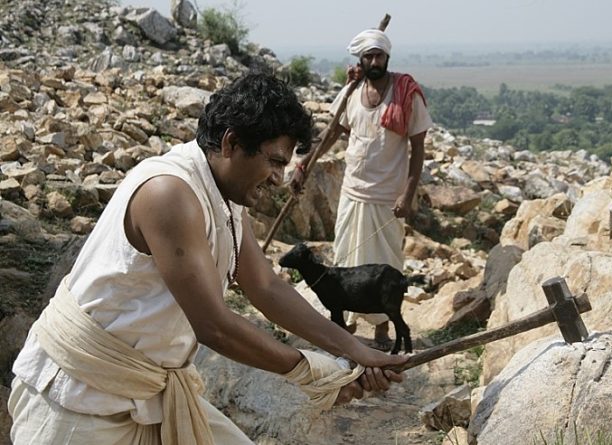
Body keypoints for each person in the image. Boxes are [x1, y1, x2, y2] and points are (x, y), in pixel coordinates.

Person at [7, 72, 406, 444]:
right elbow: (214, 326)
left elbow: (265, 287)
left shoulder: (226, 193)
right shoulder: (170, 194)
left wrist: (351, 350)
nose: (279, 179)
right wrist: (312, 371)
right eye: (274, 161)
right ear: (231, 143)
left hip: (146, 388)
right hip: (78, 395)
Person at [291, 29, 433, 351]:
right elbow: (331, 134)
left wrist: (407, 195)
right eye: (368, 56)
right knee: (346, 258)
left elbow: (418, 148)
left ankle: (383, 332)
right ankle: (347, 324)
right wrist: (305, 164)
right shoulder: (352, 91)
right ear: (360, 59)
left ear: (387, 57)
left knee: (384, 265)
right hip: (353, 191)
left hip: (386, 197)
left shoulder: (405, 93)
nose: (374, 61)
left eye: (378, 55)